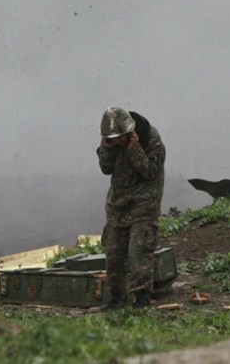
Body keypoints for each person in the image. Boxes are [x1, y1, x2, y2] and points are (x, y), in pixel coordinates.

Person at [96, 106, 165, 309]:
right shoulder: (111, 141)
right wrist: (107, 149)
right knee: (114, 255)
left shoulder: (151, 140)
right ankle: (117, 299)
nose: (116, 142)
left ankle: (141, 298)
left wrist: (134, 150)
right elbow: (105, 169)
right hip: (118, 206)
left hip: (144, 205)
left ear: (129, 133)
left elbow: (151, 172)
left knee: (139, 252)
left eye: (119, 138)